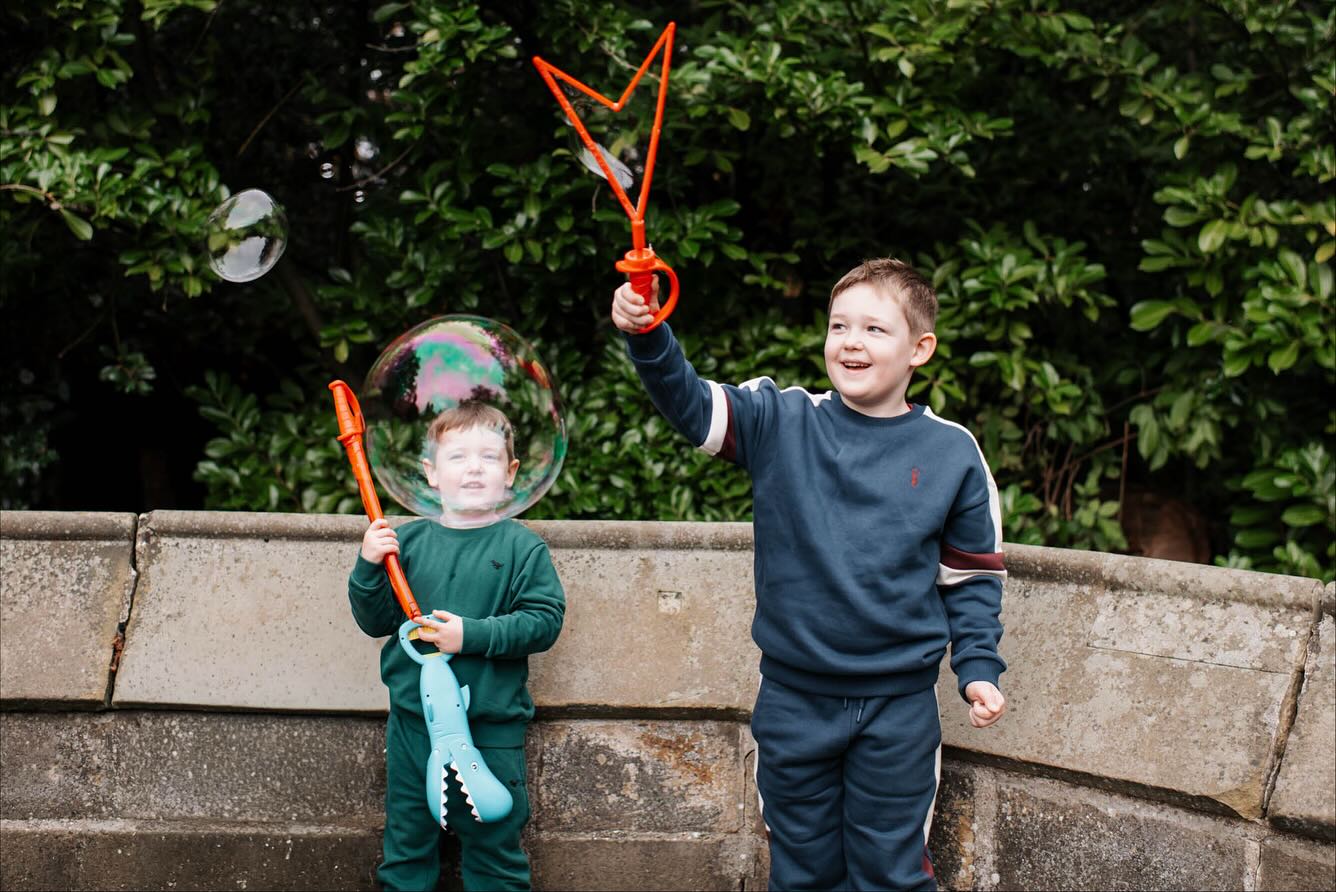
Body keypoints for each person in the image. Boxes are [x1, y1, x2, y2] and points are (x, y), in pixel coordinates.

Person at [611, 259, 1007, 891]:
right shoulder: (781, 420)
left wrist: (979, 668)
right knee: (802, 871)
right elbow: (690, 403)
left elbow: (971, 579)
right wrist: (649, 333)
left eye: (875, 330)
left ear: (920, 349)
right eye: (838, 325)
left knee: (893, 873)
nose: (850, 341)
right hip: (794, 701)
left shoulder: (953, 452)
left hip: (899, 708)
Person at [349, 400, 565, 892]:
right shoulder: (409, 542)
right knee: (406, 849)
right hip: (411, 728)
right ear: (431, 473)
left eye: (489, 457)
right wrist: (367, 565)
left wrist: (470, 635)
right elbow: (374, 619)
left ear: (511, 473)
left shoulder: (520, 547)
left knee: (493, 849)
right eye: (458, 457)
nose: (473, 468)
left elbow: (543, 622)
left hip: (489, 729)